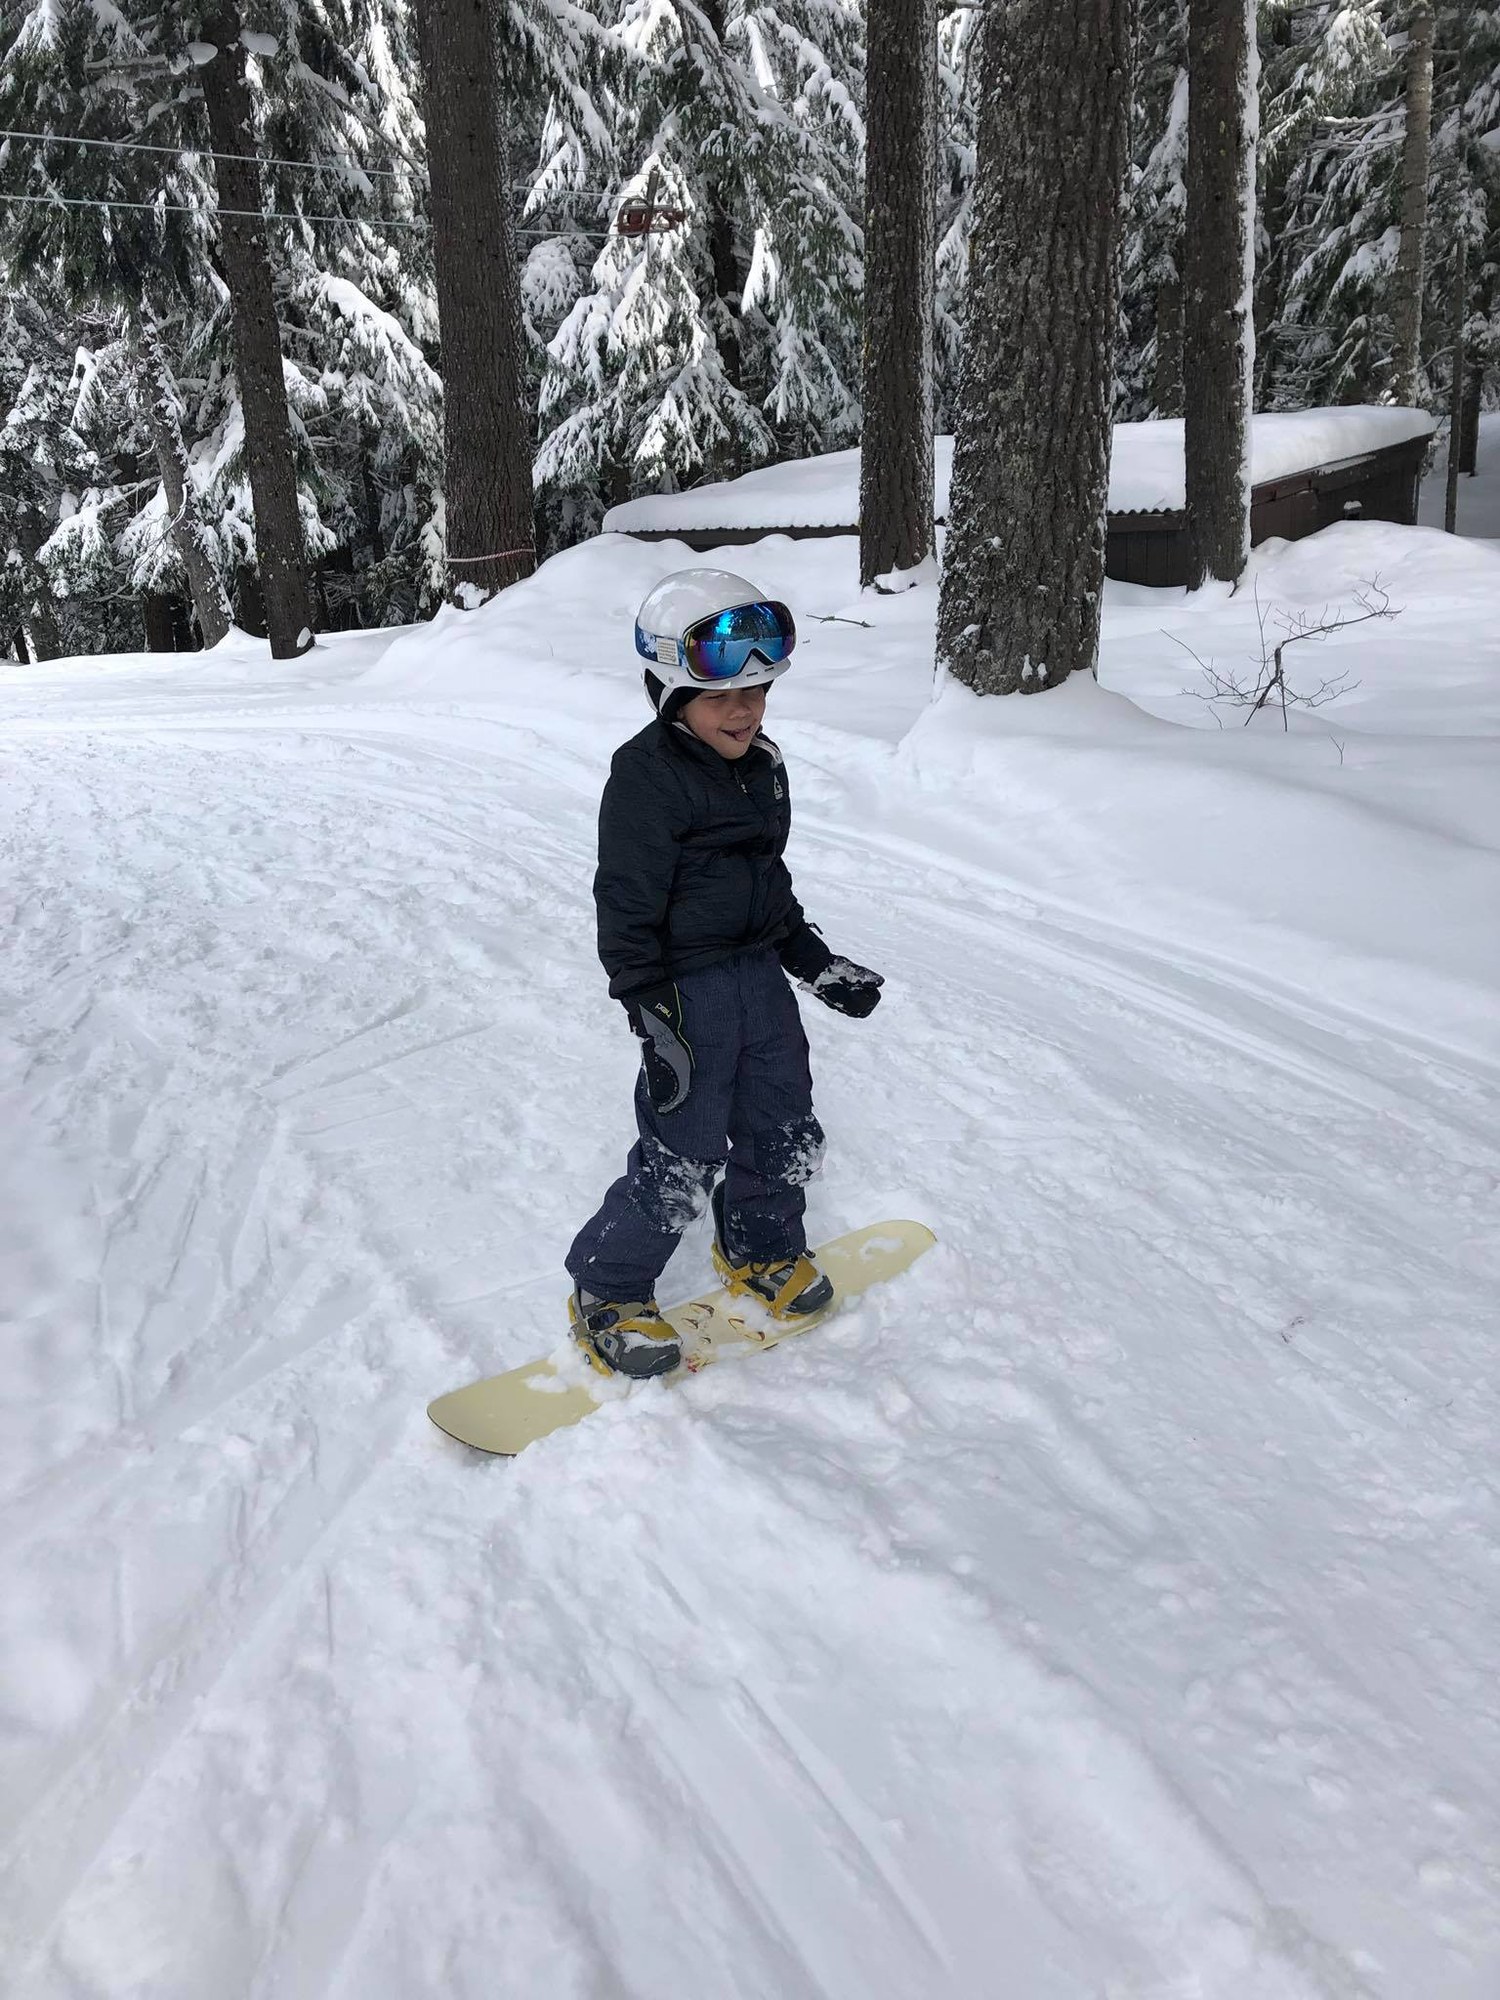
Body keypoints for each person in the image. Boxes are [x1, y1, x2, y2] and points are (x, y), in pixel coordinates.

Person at [565, 568, 884, 1377]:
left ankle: (760, 1248)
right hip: (687, 992)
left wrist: (812, 961)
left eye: (757, 692)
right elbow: (625, 902)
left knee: (785, 1124)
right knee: (684, 1151)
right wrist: (650, 1009)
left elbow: (765, 882)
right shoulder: (645, 777)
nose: (744, 711)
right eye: (721, 700)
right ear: (672, 699)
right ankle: (609, 1288)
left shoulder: (761, 765)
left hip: (759, 984)